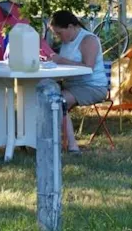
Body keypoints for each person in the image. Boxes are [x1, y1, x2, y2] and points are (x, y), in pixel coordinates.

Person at [45, 10, 108, 153]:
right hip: (70, 85)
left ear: (71, 27)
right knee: (40, 92)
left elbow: (88, 67)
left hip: (92, 87)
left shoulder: (88, 40)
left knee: (57, 101)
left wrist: (61, 61)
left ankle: (72, 146)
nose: (58, 37)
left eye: (59, 33)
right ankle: (40, 139)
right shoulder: (67, 41)